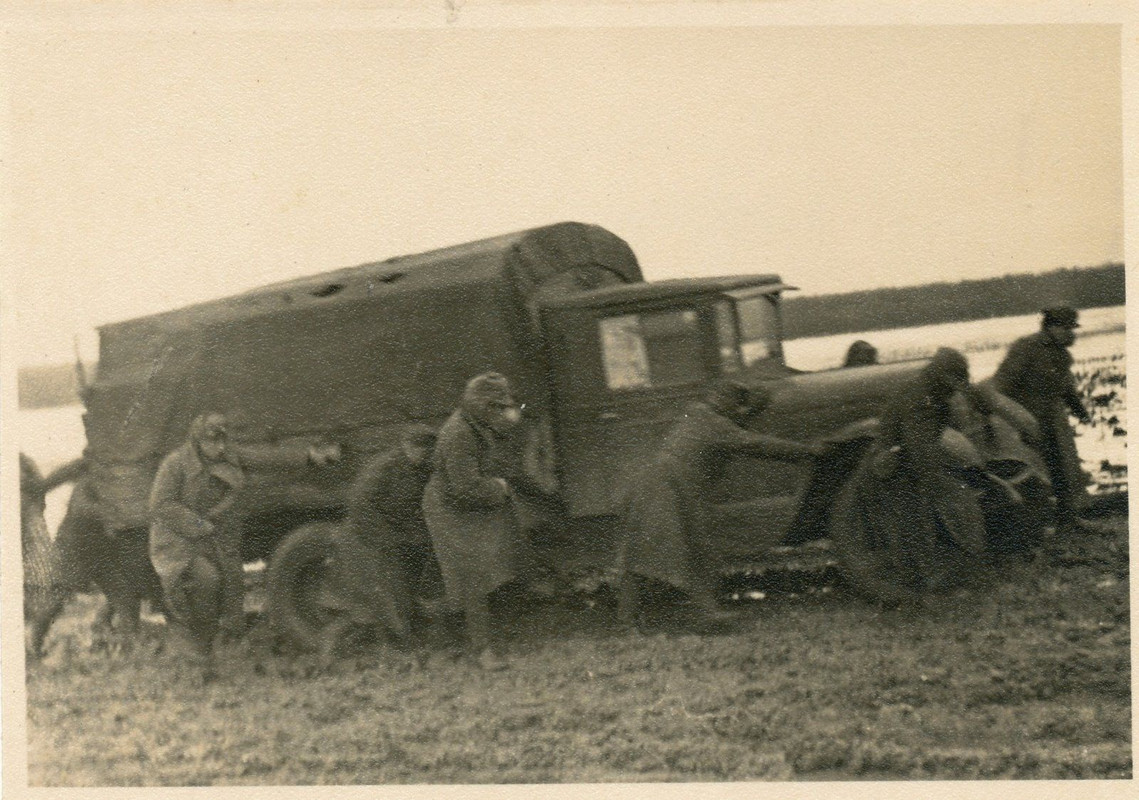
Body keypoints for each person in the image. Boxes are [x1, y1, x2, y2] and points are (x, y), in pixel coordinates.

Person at [616, 380, 822, 632]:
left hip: (665, 486)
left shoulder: (699, 414)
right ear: (723, 401)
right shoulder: (712, 423)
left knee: (687, 550)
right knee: (651, 555)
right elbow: (754, 443)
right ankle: (641, 621)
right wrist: (808, 451)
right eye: (733, 403)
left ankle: (705, 614)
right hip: (664, 488)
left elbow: (738, 432)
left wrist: (748, 410)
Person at [149, 413, 335, 681]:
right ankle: (198, 654)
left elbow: (264, 458)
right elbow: (162, 506)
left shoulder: (228, 456)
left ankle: (223, 649)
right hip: (180, 541)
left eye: (222, 441)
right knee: (205, 582)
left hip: (216, 538)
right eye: (211, 442)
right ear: (197, 441)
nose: (219, 448)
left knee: (232, 590)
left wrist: (308, 455)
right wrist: (199, 526)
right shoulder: (175, 465)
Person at [830, 348, 990, 604]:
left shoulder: (927, 391)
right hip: (895, 475)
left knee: (916, 532)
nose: (957, 388)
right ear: (943, 376)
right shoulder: (921, 398)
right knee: (916, 533)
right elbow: (919, 447)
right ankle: (922, 595)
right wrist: (934, 483)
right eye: (955, 380)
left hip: (902, 469)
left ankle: (921, 591)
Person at [421, 373, 537, 671]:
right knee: (471, 576)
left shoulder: (475, 424)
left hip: (463, 503)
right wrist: (499, 487)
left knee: (477, 569)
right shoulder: (459, 434)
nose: (502, 412)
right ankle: (480, 650)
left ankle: (443, 645)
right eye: (496, 407)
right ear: (482, 406)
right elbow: (465, 488)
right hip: (450, 508)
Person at [318, 424, 443, 659]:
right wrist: (386, 540)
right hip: (363, 539)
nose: (425, 456)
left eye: (428, 452)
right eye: (422, 450)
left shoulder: (420, 468)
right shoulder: (384, 468)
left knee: (399, 592)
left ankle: (406, 640)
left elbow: (414, 507)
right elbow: (359, 505)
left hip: (391, 537)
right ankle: (343, 650)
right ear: (409, 447)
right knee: (381, 596)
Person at [992, 306, 1091, 532]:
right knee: (1035, 471)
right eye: (1066, 329)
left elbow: (1065, 386)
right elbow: (1003, 385)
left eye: (1073, 329)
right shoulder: (1026, 348)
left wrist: (1080, 410)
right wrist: (1012, 420)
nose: (1071, 334)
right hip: (1026, 420)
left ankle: (1068, 519)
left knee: (1063, 468)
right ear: (1051, 327)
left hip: (1053, 420)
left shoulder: (1062, 355)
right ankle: (1037, 525)